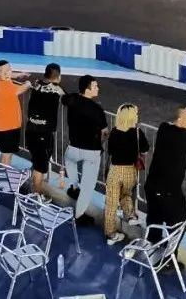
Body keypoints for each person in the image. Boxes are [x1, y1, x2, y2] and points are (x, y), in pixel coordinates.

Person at [143, 107, 186, 247]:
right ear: (180, 119)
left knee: (154, 219)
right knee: (178, 222)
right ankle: (169, 254)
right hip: (169, 191)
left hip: (151, 186)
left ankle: (152, 247)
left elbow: (171, 124)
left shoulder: (163, 127)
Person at [61, 75, 107, 225]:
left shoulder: (73, 99)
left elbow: (64, 98)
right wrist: (101, 141)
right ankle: (79, 215)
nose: (98, 88)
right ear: (87, 90)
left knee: (70, 162)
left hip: (73, 147)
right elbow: (104, 132)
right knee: (88, 186)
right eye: (95, 86)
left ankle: (74, 187)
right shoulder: (97, 110)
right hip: (91, 151)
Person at [104, 103, 150, 245]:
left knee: (111, 203)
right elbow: (145, 149)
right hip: (130, 170)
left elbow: (110, 151)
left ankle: (111, 234)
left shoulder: (114, 132)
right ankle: (130, 215)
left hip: (115, 170)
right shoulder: (137, 133)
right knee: (126, 194)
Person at [25, 63, 64, 192]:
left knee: (37, 162)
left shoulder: (36, 83)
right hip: (43, 133)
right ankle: (36, 196)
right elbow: (68, 99)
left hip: (31, 130)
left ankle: (34, 190)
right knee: (40, 168)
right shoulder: (57, 89)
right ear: (58, 76)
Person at [0, 60, 31, 165]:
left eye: (9, 70)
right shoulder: (7, 87)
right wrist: (28, 83)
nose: (8, 73)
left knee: (5, 153)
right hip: (8, 128)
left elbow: (6, 75)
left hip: (1, 126)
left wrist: (18, 75)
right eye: (4, 71)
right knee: (7, 156)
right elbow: (22, 89)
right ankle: (4, 174)